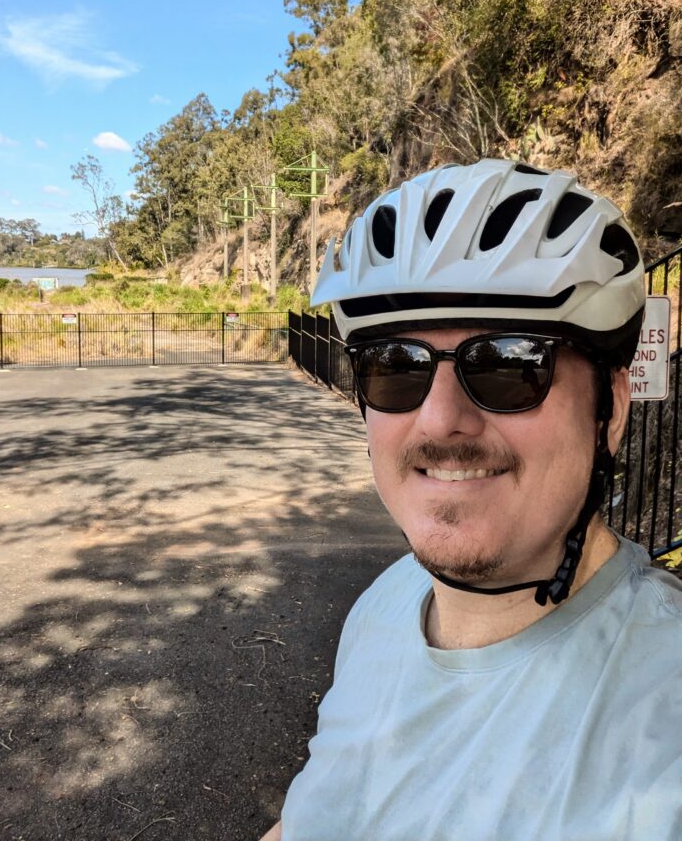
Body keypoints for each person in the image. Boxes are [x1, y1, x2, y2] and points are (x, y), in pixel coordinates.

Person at [259, 158, 682, 841]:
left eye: (509, 364)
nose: (438, 421)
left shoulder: (661, 719)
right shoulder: (386, 604)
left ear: (609, 410)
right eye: (394, 367)